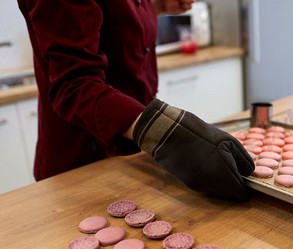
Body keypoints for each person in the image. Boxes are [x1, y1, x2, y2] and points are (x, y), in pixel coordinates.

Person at [17, 0, 254, 201]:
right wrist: (163, 131)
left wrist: (158, 5)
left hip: (134, 157)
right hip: (82, 163)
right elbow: (74, 84)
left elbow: (116, 25)